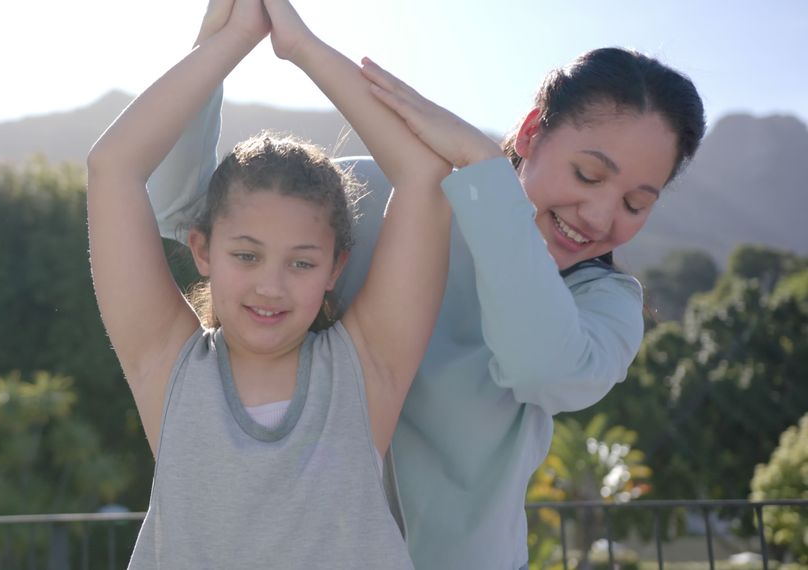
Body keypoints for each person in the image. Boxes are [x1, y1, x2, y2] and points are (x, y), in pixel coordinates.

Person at [148, 5, 707, 568]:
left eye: (637, 203)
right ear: (534, 132)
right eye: (588, 175)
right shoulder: (388, 201)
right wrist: (219, 40)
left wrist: (484, 166)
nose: (601, 214)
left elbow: (542, 366)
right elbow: (184, 211)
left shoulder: (606, 302)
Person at [85, 0, 456, 566]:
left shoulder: (364, 370)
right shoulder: (170, 367)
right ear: (203, 250)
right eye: (247, 255)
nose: (271, 286)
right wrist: (232, 36)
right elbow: (112, 166)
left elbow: (424, 173)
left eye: (302, 263)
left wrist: (300, 46)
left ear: (336, 268)